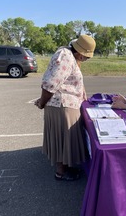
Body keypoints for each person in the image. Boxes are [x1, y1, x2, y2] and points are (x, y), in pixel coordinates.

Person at [34, 35, 96, 181]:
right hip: (62, 105)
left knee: (63, 139)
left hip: (64, 104)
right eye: (87, 56)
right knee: (64, 139)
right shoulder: (66, 56)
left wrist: (83, 94)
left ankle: (65, 167)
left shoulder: (71, 56)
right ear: (81, 52)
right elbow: (51, 83)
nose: (86, 59)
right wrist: (42, 102)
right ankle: (61, 172)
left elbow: (73, 79)